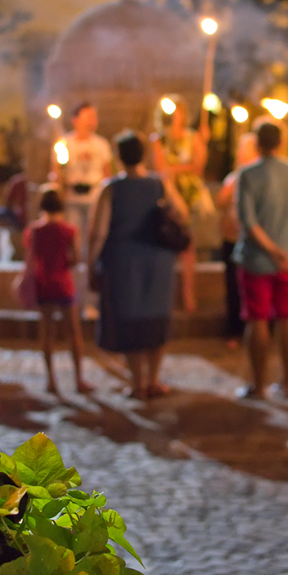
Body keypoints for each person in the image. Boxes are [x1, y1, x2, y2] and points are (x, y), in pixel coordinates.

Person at [89, 131, 188, 400]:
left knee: (130, 318)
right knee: (156, 317)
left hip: (122, 259)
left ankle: (137, 382)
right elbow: (181, 212)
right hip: (158, 259)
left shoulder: (111, 189)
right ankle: (154, 379)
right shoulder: (159, 184)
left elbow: (98, 231)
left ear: (119, 157)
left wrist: (90, 263)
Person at [233, 122, 288, 399]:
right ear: (282, 141)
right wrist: (283, 250)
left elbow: (248, 221)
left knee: (257, 320)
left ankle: (259, 384)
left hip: (257, 259)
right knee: (287, 317)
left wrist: (270, 249)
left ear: (257, 143)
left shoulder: (247, 175)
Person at [23, 187, 90, 395]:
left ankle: (50, 380)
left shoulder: (34, 231)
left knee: (47, 333)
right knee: (73, 333)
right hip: (63, 283)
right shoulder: (69, 230)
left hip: (43, 284)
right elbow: (77, 258)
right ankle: (79, 380)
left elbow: (30, 259)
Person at [151, 94, 211, 313]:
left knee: (188, 245)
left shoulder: (192, 137)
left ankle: (188, 294)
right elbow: (160, 169)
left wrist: (201, 146)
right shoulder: (158, 139)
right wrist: (176, 170)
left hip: (190, 194)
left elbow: (197, 167)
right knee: (164, 242)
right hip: (167, 195)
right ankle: (162, 294)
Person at [51, 102, 113, 257]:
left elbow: (107, 174)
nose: (93, 121)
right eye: (89, 116)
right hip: (72, 197)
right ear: (76, 119)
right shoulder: (64, 144)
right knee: (74, 239)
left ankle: (91, 272)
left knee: (94, 238)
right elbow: (56, 172)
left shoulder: (101, 144)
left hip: (94, 196)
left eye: (94, 117)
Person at [215, 132, 259, 349]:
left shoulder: (260, 176)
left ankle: (257, 330)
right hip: (232, 238)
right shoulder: (233, 177)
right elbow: (221, 201)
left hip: (253, 239)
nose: (240, 153)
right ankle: (235, 329)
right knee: (233, 286)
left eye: (245, 149)